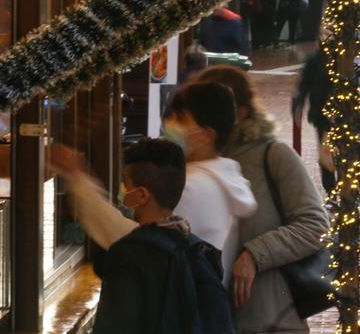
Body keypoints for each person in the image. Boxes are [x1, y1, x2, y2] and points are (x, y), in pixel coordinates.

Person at [50, 81, 258, 284]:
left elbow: (129, 239)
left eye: (181, 118)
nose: (171, 123)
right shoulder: (221, 177)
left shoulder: (194, 187)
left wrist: (77, 177)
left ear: (206, 135)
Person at [193, 65, 330, 333]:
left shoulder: (274, 155)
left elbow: (315, 225)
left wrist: (255, 254)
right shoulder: (195, 162)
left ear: (240, 113)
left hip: (269, 319)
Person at [90, 138, 235, 334]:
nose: (122, 190)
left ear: (141, 195)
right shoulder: (197, 249)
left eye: (125, 183)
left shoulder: (129, 254)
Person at [292, 36, 335, 193]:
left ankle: (345, 191)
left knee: (344, 154)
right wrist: (299, 104)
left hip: (344, 113)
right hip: (322, 115)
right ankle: (331, 190)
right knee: (325, 155)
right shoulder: (315, 60)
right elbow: (304, 84)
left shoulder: (345, 58)